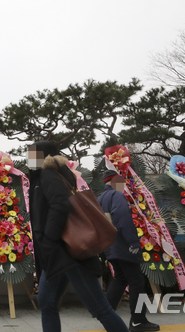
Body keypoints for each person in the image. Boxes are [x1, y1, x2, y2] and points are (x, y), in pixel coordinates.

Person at [28, 141, 128, 332]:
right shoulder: (46, 176)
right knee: (47, 303)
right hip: (55, 254)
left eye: (32, 155)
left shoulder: (49, 175)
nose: (29, 160)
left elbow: (60, 205)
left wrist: (49, 237)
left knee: (99, 308)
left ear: (43, 156)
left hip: (69, 252)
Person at [98, 170, 160, 332]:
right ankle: (138, 321)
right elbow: (123, 219)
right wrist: (132, 242)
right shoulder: (117, 196)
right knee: (136, 281)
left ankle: (106, 314)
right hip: (123, 246)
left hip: (109, 247)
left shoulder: (99, 198)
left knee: (120, 279)